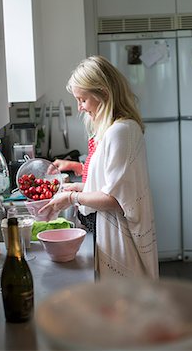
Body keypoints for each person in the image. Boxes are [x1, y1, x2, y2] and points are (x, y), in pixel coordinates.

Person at [40, 55, 159, 280]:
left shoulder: (120, 132)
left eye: (83, 100)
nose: (80, 108)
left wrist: (72, 199)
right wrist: (76, 187)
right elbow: (110, 185)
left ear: (103, 94)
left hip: (121, 242)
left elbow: (114, 199)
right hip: (110, 234)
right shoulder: (115, 129)